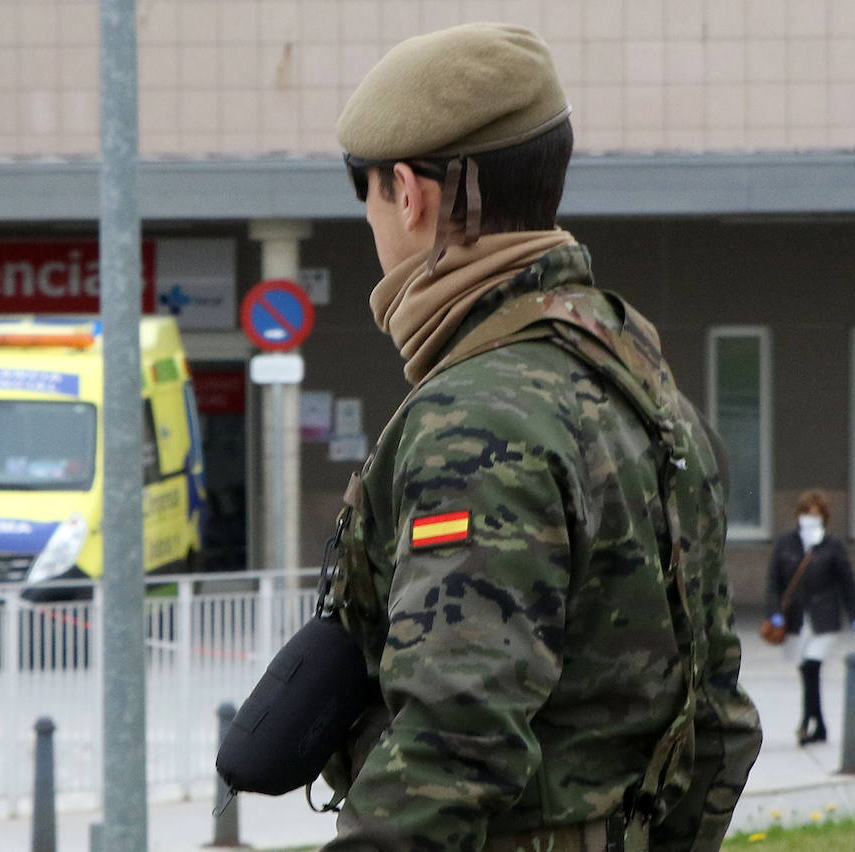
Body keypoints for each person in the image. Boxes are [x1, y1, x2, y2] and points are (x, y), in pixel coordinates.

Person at [318, 22, 762, 851]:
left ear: (409, 195)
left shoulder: (477, 416)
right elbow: (718, 714)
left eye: (370, 199)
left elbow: (453, 746)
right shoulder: (636, 373)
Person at [765, 489, 855, 746]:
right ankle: (819, 725)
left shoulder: (832, 545)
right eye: (806, 514)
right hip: (796, 619)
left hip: (824, 618)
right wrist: (774, 612)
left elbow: (847, 581)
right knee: (805, 671)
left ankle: (806, 723)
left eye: (816, 515)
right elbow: (773, 582)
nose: (810, 519)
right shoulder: (786, 544)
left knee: (812, 666)